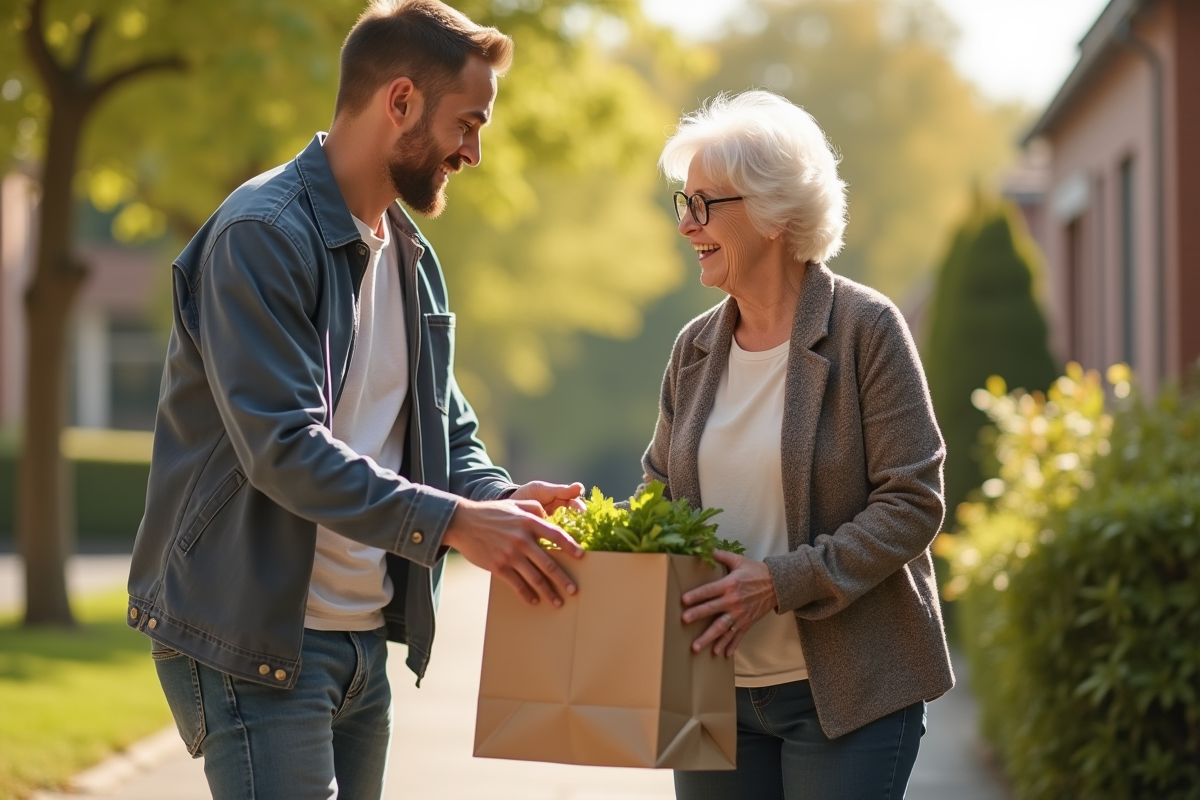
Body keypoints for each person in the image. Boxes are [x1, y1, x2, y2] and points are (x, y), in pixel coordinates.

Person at [125, 2, 585, 798]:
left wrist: (501, 499)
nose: (475, 152)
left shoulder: (409, 253)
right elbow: (285, 449)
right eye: (468, 123)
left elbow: (442, 430)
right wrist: (456, 525)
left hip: (358, 643)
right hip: (254, 639)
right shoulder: (263, 235)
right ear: (399, 101)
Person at [640, 91, 954, 799]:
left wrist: (779, 583)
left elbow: (913, 501)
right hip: (713, 692)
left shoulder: (866, 329)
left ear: (774, 212)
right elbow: (658, 487)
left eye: (703, 206)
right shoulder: (693, 348)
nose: (686, 225)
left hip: (850, 694)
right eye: (682, 204)